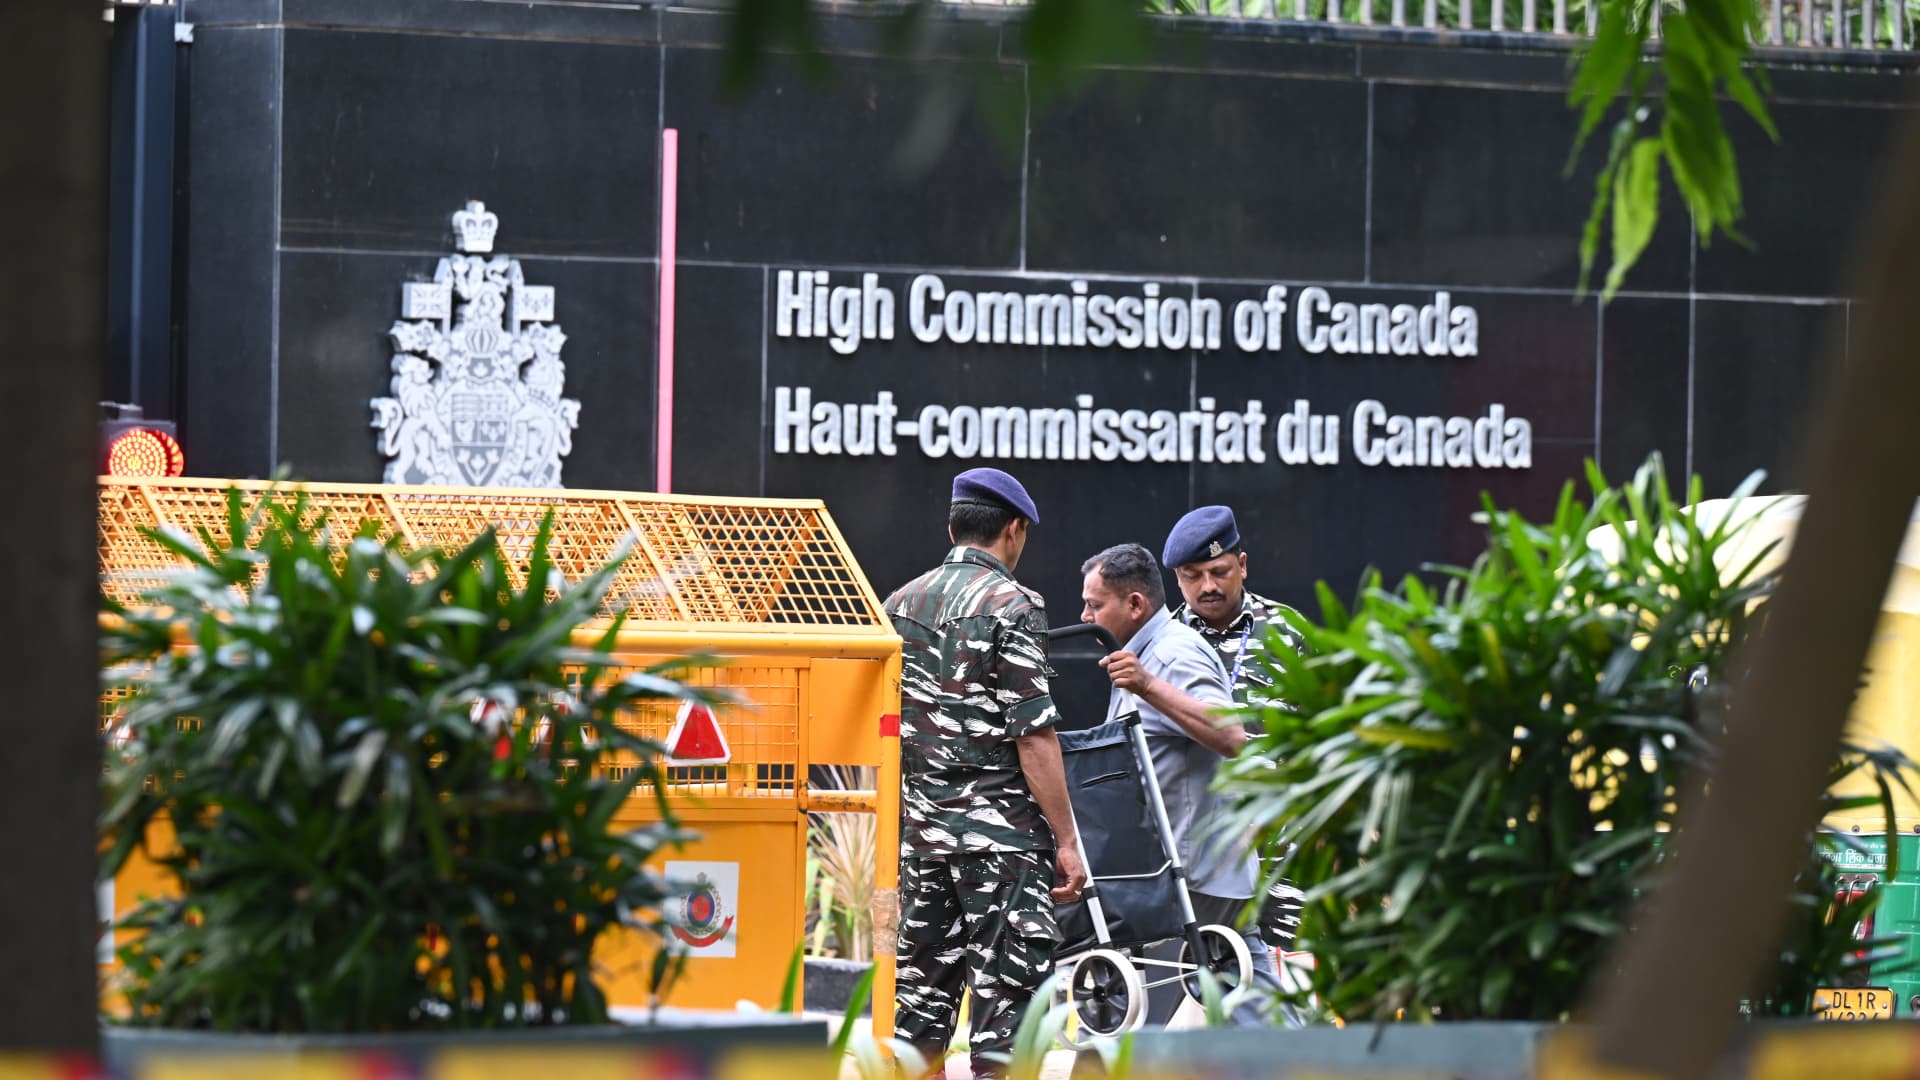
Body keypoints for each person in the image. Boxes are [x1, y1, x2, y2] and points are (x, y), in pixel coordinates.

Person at [885, 467, 1089, 1078]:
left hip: (921, 840)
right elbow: (1034, 736)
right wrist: (1067, 839)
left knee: (918, 1010)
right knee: (1010, 1015)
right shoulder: (1014, 605)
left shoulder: (898, 605)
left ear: (953, 527)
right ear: (1014, 528)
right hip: (1003, 845)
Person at [1078, 542, 1283, 1025]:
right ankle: (1305, 1059)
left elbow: (1230, 736)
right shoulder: (1145, 653)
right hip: (1197, 870)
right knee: (1249, 1000)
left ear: (1134, 604)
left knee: (1127, 1014)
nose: (1085, 616)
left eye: (1094, 604)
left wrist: (1149, 686)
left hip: (1189, 876)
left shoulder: (1171, 654)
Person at [1163, 504, 1308, 957]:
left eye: (1219, 572)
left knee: (1291, 973)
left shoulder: (1288, 632)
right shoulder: (1163, 642)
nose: (1207, 586)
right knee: (1202, 974)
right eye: (1192, 576)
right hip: (1199, 849)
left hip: (1282, 848)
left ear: (1242, 566)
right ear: (1177, 579)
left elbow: (1328, 733)